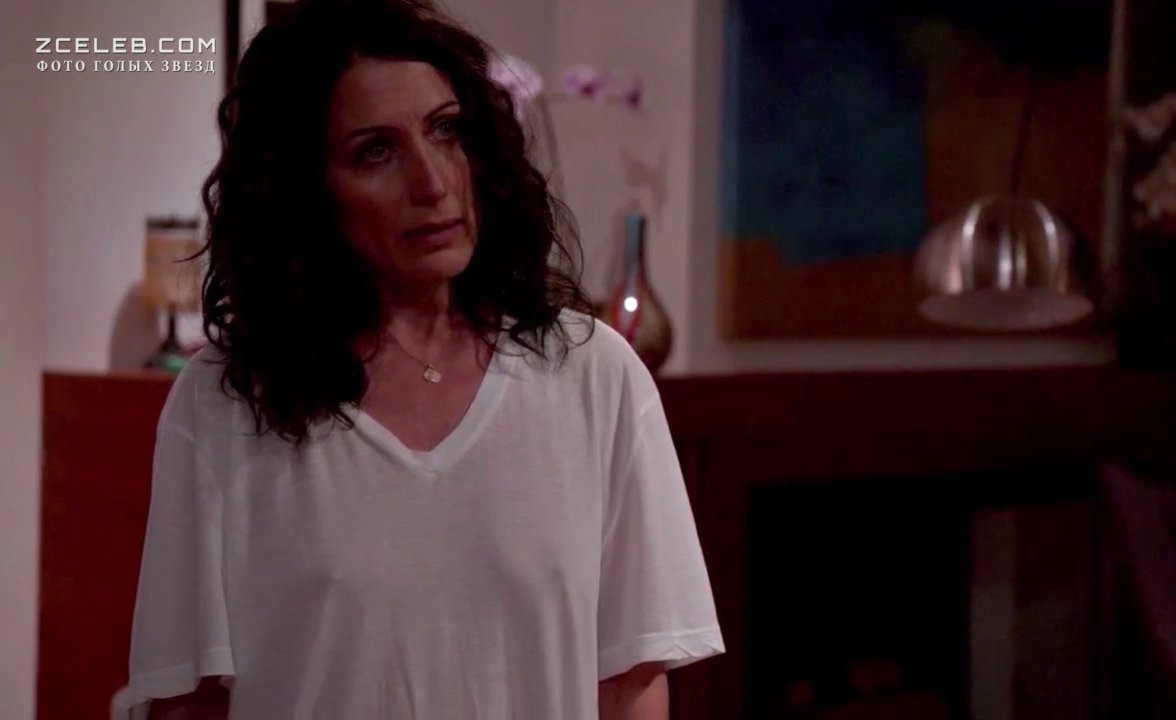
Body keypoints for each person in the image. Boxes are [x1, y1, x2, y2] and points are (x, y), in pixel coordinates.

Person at [110, 0, 723, 717]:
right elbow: (185, 701)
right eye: (376, 151)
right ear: (306, 188)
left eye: (446, 130)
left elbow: (631, 679)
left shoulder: (595, 375)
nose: (432, 183)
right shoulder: (227, 399)